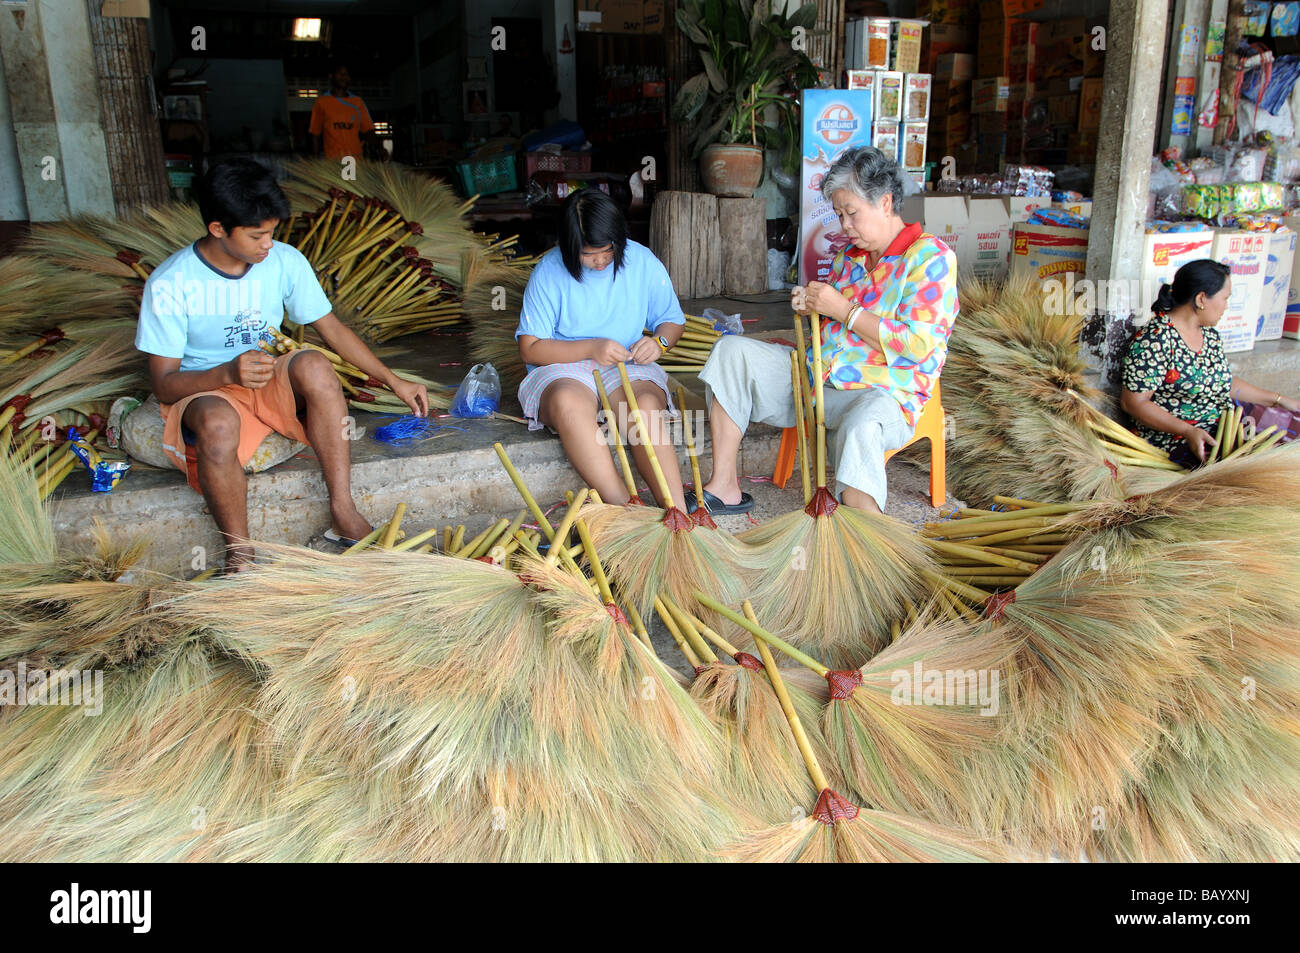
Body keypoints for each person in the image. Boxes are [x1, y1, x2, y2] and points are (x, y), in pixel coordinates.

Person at [135, 158, 428, 572]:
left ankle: (343, 511)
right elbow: (165, 384)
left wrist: (393, 380)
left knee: (314, 366)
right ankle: (240, 552)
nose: (267, 245)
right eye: (257, 235)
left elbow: (332, 328)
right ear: (218, 228)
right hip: (204, 387)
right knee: (217, 425)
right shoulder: (171, 283)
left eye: (272, 233)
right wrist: (226, 374)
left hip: (263, 378)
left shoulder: (284, 260)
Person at [697, 146, 958, 514]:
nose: (844, 225)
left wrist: (844, 310)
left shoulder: (930, 259)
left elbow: (917, 346)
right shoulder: (848, 258)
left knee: (862, 427)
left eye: (851, 213)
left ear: (885, 203)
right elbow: (827, 321)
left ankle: (866, 536)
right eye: (839, 214)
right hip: (813, 378)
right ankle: (725, 486)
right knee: (731, 353)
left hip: (878, 393)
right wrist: (811, 307)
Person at [515, 187, 688, 508]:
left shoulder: (642, 262)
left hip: (625, 363)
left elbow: (671, 321)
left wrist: (659, 343)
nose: (599, 261)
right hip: (562, 368)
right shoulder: (548, 272)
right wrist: (591, 347)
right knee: (568, 404)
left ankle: (678, 512)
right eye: (587, 253)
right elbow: (530, 348)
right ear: (568, 246)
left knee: (644, 407)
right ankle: (626, 508)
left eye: (607, 251)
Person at [1121, 258, 1299, 462]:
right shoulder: (1155, 339)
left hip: (1223, 424)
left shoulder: (1210, 335)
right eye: (1225, 298)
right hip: (1180, 440)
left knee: (1294, 429)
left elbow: (1223, 384)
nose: (1226, 307)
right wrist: (1188, 431)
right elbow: (1133, 403)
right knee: (1268, 464)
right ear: (1201, 299)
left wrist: (1280, 400)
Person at [309, 64, 378, 161]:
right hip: (333, 162)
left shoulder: (358, 102)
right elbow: (315, 134)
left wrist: (379, 148)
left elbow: (368, 130)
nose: (344, 77)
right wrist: (315, 160)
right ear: (331, 76)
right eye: (340, 73)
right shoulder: (322, 102)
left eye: (346, 74)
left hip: (355, 161)